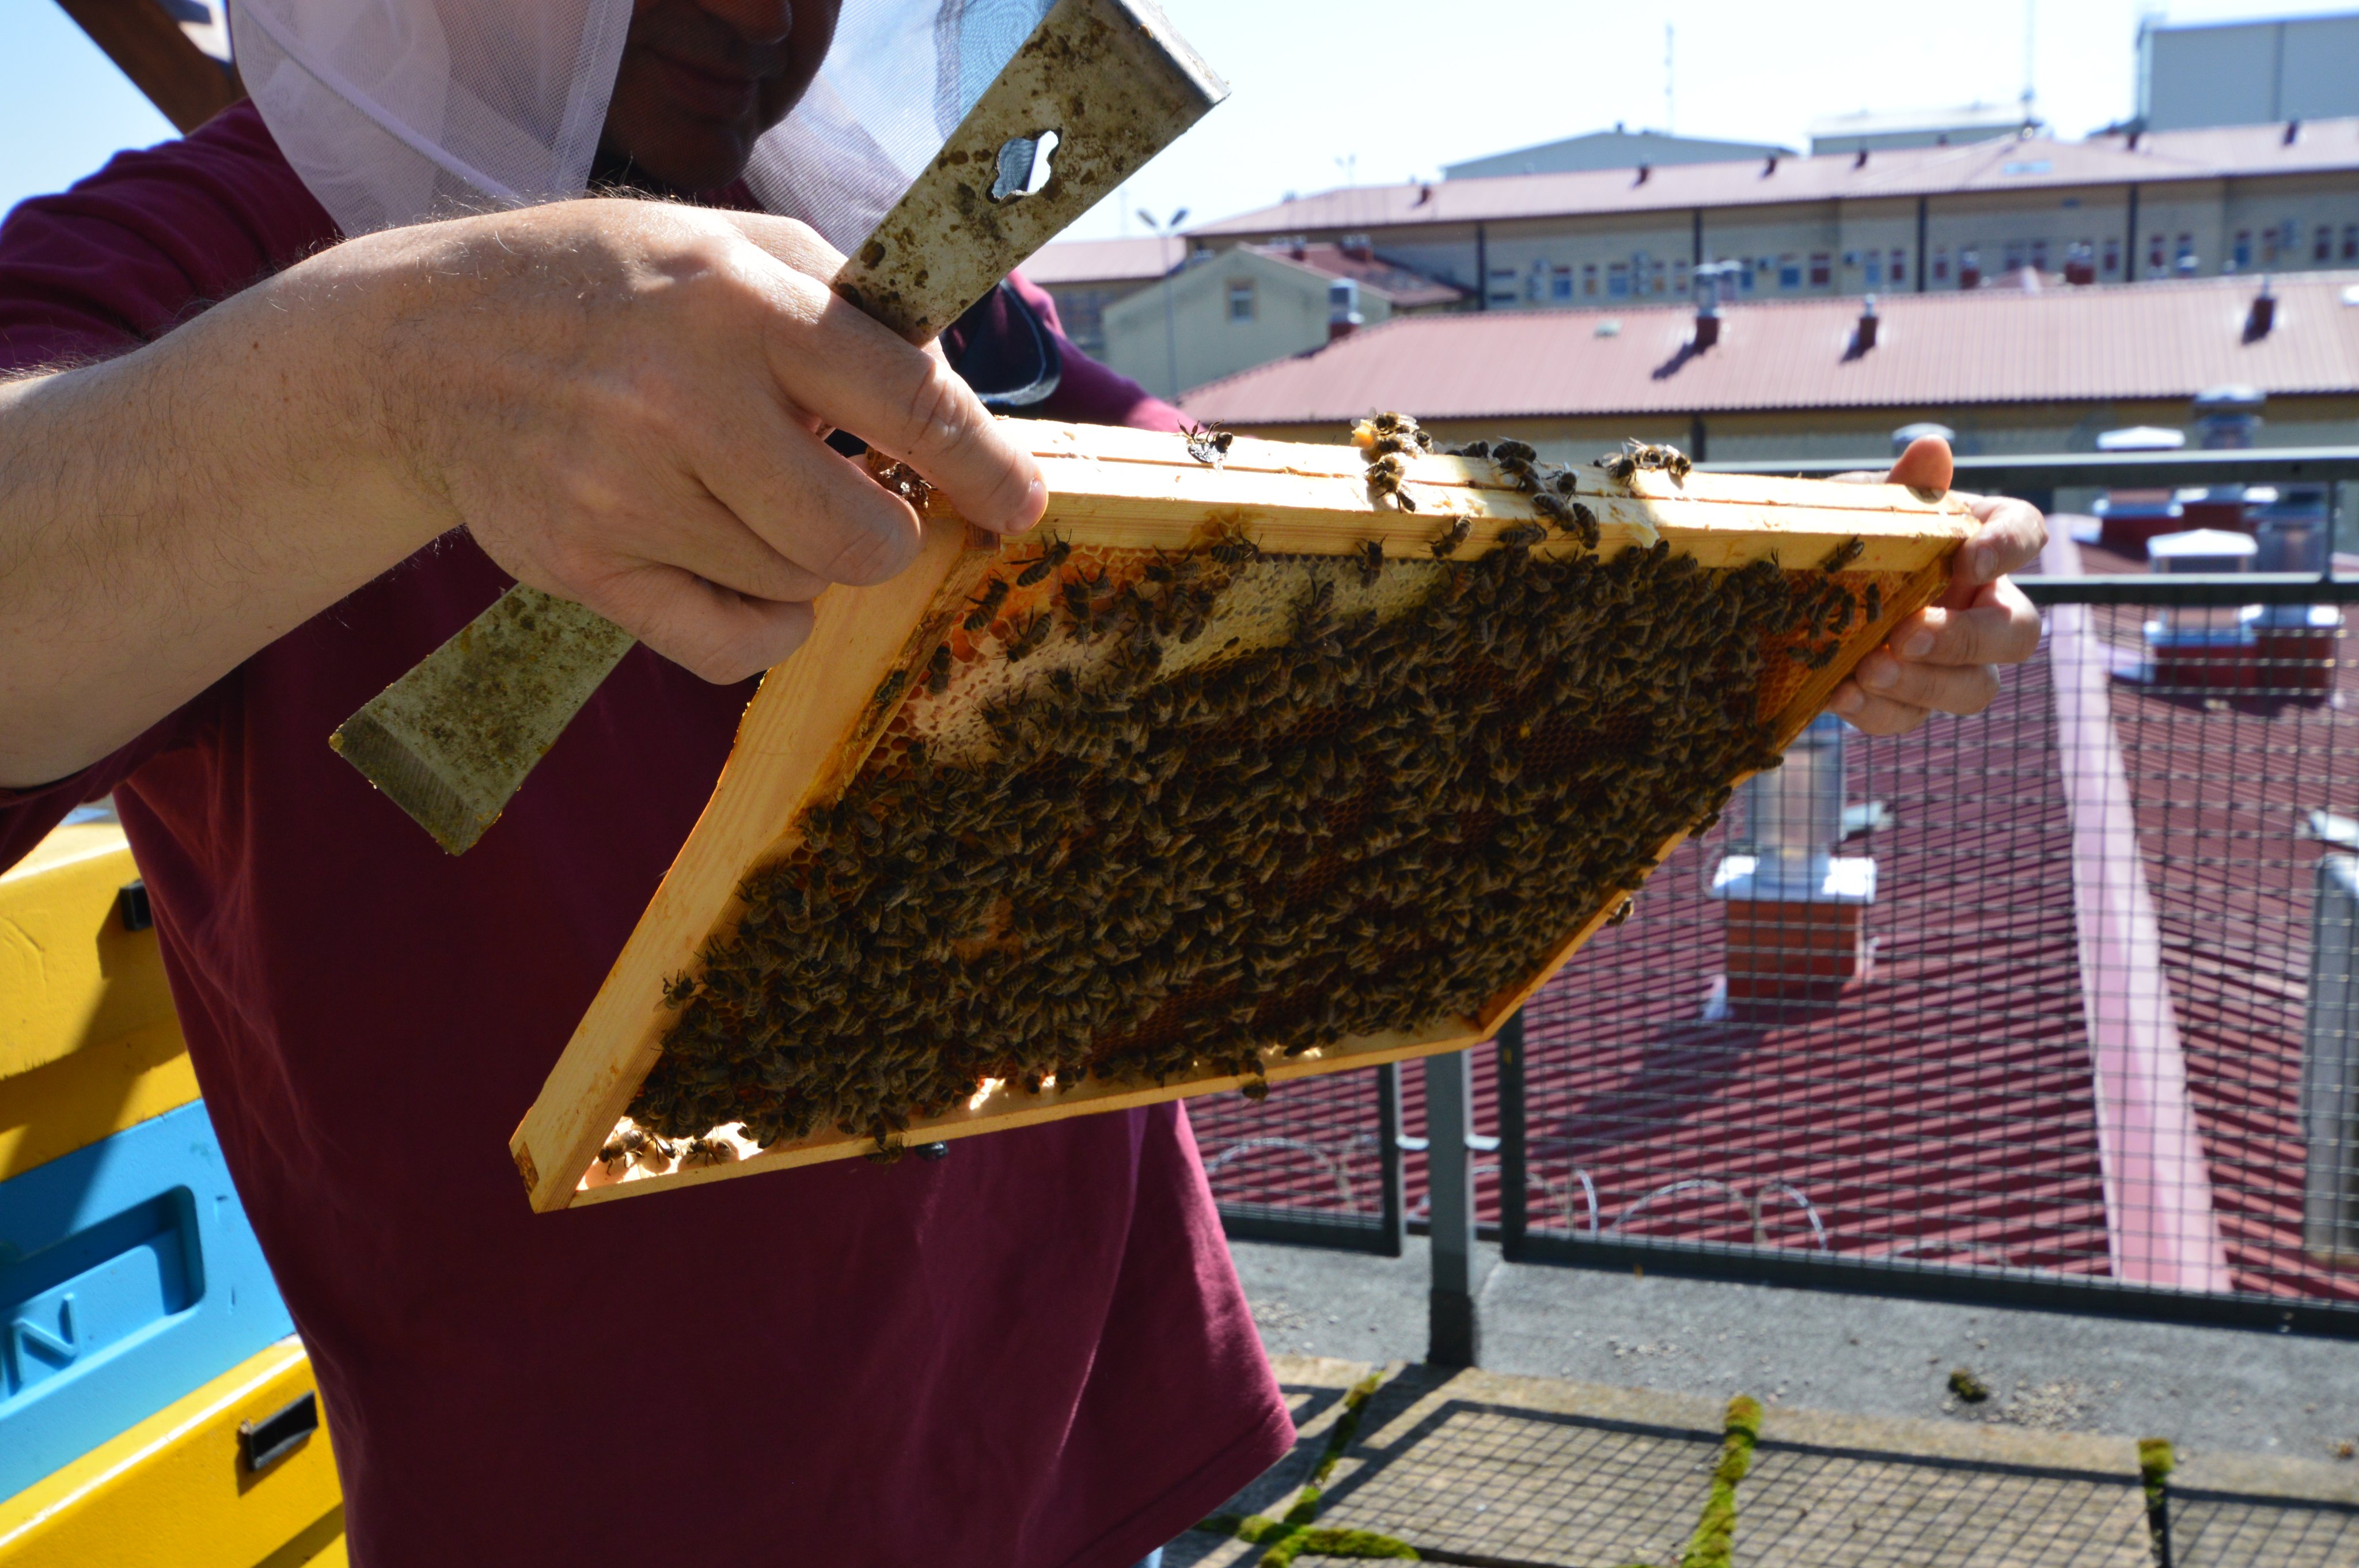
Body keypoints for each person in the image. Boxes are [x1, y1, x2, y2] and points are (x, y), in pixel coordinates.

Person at [0, 1, 2044, 1562]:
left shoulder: (919, 273)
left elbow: (1281, 574)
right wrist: (389, 377)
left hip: (1079, 1413)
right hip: (609, 1494)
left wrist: (1766, 622)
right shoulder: (203, 255)